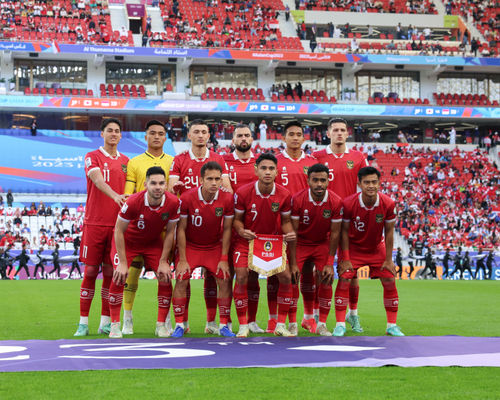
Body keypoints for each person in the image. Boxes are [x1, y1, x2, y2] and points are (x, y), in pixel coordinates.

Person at [168, 119, 231, 332]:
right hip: (190, 231)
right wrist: (176, 189)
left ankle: (216, 323)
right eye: (196, 131)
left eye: (204, 131)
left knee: (219, 279)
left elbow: (228, 189)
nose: (201, 135)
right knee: (182, 278)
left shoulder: (218, 159)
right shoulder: (179, 159)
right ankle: (181, 324)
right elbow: (170, 191)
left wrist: (222, 196)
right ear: (189, 135)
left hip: (213, 235)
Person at [108, 166, 179, 338]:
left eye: (162, 183)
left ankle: (161, 325)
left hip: (153, 243)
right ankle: (115, 324)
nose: (158, 187)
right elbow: (118, 230)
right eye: (153, 183)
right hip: (128, 243)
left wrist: (163, 261)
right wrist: (123, 263)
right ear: (146, 184)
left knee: (165, 277)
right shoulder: (133, 201)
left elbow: (170, 232)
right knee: (119, 277)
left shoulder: (173, 202)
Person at [74, 118, 129, 337]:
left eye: (117, 131)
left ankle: (105, 321)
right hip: (94, 223)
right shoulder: (92, 156)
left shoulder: (126, 161)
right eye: (109, 130)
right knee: (89, 271)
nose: (113, 134)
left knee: (110, 273)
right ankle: (83, 322)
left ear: (121, 135)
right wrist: (115, 195)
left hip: (116, 226)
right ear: (102, 134)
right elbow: (97, 180)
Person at [333, 166, 404, 337]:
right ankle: (340, 324)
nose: (370, 186)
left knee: (388, 278)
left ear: (379, 183)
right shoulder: (349, 203)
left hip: (375, 247)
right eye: (366, 182)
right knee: (344, 278)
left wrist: (388, 259)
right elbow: (343, 232)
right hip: (353, 247)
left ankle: (391, 325)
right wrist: (346, 258)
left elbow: (388, 232)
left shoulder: (388, 203)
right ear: (359, 183)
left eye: (374, 182)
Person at [313, 118, 368, 333]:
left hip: (348, 220)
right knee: (321, 270)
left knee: (351, 272)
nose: (338, 133)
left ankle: (353, 314)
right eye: (334, 130)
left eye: (342, 130)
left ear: (348, 134)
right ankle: (318, 312)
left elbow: (366, 185)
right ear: (327, 133)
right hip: (323, 219)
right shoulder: (317, 157)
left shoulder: (358, 157)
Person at [233, 152, 296, 337]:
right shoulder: (243, 192)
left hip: (271, 241)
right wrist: (241, 231)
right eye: (263, 168)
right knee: (243, 276)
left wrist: (289, 231)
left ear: (277, 172)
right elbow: (237, 220)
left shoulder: (284, 194)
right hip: (247, 241)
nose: (267, 172)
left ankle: (280, 325)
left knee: (285, 277)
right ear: (256, 170)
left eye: (271, 169)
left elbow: (285, 221)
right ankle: (244, 324)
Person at [121, 120, 174, 335]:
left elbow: (173, 195)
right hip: (139, 228)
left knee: (166, 275)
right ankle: (127, 318)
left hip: (163, 229)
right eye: (152, 133)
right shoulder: (134, 162)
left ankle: (165, 320)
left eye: (161, 133)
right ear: (146, 136)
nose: (156, 137)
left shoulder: (173, 161)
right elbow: (128, 194)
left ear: (165, 137)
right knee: (132, 274)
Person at [274, 121, 317, 335]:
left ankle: (307, 317)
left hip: (306, 226)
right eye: (291, 134)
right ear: (284, 137)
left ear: (304, 138)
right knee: (280, 275)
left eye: (299, 134)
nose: (295, 138)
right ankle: (281, 320)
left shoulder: (312, 162)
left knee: (305, 273)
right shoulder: (275, 162)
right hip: (279, 225)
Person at [291, 163, 342, 336]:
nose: (319, 184)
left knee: (327, 278)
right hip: (301, 243)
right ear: (308, 181)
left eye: (322, 180)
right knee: (292, 277)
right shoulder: (298, 199)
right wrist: (292, 262)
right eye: (315, 180)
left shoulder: (336, 201)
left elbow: (335, 234)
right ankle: (296, 321)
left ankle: (321, 323)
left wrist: (329, 262)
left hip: (322, 243)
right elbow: (294, 232)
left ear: (328, 181)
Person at [223, 124, 259, 333]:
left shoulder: (261, 163)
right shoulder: (223, 161)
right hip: (229, 226)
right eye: (239, 135)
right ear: (233, 139)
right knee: (226, 275)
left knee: (252, 276)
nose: (243, 138)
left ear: (252, 139)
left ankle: (251, 321)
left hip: (255, 229)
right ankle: (223, 320)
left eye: (246, 135)